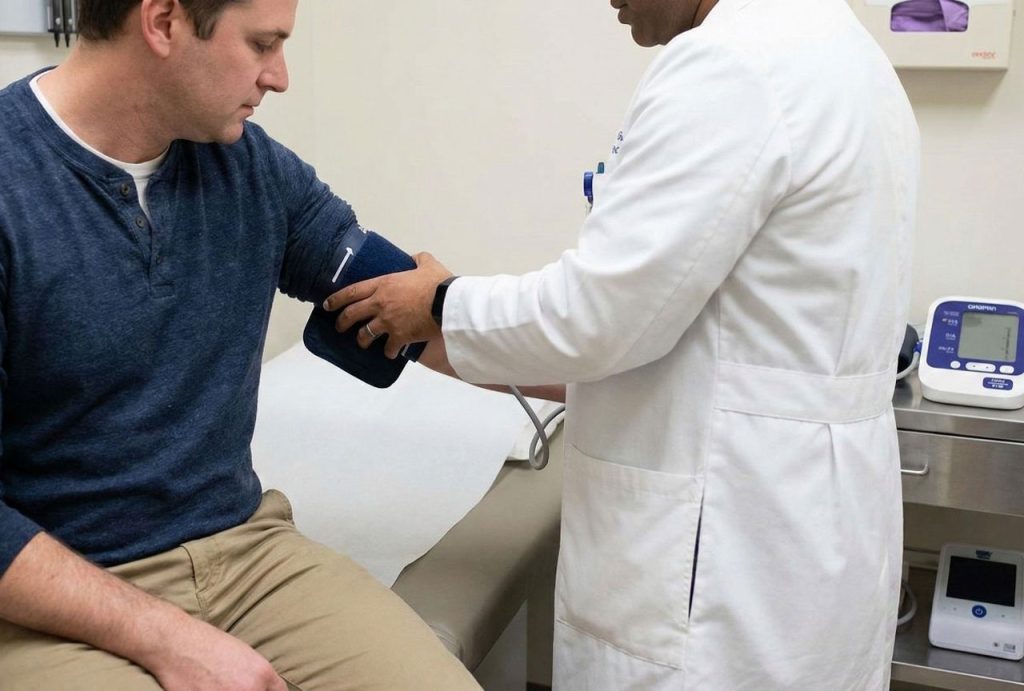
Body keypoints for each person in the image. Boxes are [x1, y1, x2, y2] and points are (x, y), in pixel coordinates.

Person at [326, 0, 920, 688]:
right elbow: (700, 341)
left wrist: (437, 303)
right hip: (810, 539)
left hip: (725, 566)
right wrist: (445, 334)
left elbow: (600, 317)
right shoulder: (846, 53)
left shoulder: (732, 66)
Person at [0, 1, 480, 689]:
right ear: (163, 22)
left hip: (244, 552)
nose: (279, 77)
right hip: (51, 594)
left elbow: (408, 311)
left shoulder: (248, 170)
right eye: (261, 44)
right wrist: (168, 636)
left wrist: (587, 369)